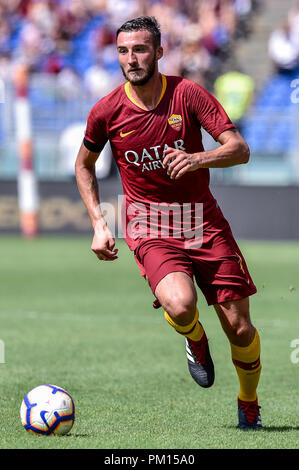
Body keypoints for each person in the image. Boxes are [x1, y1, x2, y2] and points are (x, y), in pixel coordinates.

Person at [75, 16, 262, 430]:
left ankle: (248, 401)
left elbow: (239, 148)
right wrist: (99, 223)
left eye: (140, 50)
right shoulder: (106, 110)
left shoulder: (188, 94)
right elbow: (83, 166)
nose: (131, 59)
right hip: (148, 223)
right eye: (123, 51)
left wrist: (197, 158)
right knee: (181, 304)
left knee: (240, 329)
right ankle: (194, 337)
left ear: (159, 52)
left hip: (202, 220)